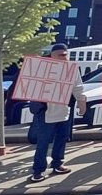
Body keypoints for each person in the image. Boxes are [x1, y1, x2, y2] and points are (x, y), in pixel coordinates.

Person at [30, 44, 87, 182]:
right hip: (45, 111)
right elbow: (31, 86)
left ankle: (57, 163)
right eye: (60, 55)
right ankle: (38, 169)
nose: (64, 57)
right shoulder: (41, 69)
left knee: (62, 138)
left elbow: (77, 86)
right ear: (52, 55)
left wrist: (81, 101)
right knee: (43, 141)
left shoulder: (72, 69)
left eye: (65, 55)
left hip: (64, 109)